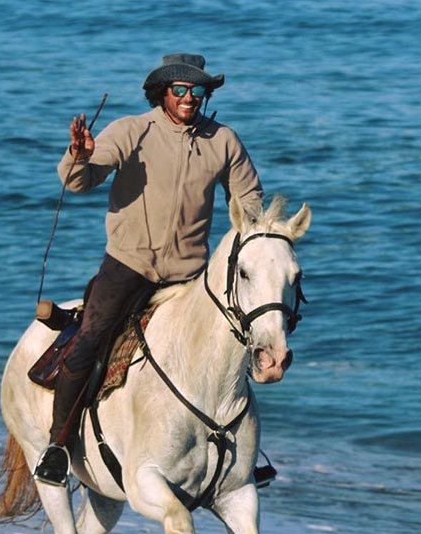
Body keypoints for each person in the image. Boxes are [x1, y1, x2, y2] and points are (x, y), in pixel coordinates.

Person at [33, 53, 264, 485]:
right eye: (180, 90)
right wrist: (79, 156)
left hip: (190, 272)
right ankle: (58, 447)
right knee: (90, 342)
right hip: (128, 264)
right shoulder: (132, 130)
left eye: (198, 90)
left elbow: (249, 199)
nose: (190, 97)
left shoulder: (224, 141)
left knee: (235, 345)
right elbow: (79, 181)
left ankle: (244, 454)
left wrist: (258, 235)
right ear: (163, 93)